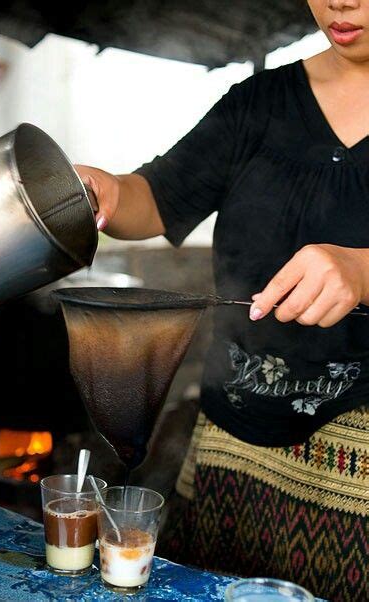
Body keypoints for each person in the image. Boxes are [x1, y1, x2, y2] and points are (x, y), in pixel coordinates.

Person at [76, 1, 369, 599]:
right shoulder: (258, 101)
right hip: (231, 447)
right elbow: (154, 197)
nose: (340, 1)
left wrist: (365, 269)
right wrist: (106, 192)